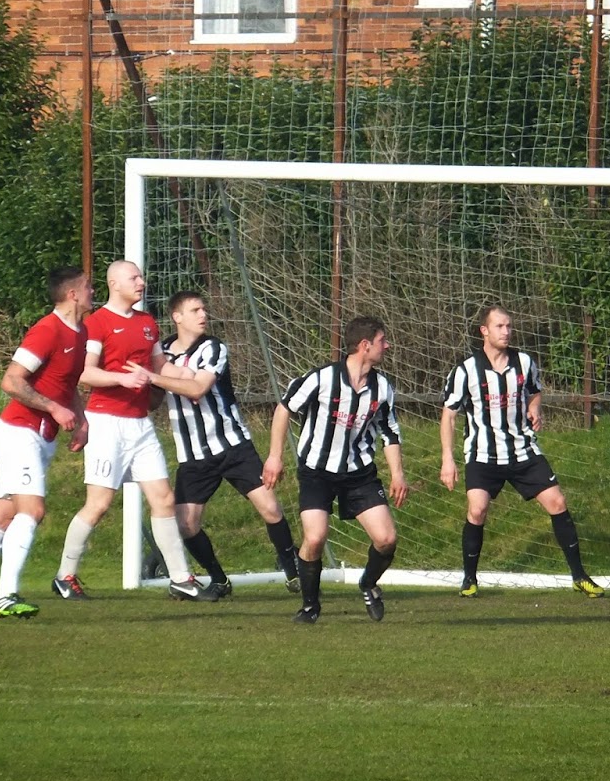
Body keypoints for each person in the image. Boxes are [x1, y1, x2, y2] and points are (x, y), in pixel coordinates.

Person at [51, 260, 218, 602]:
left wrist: (184, 374)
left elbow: (158, 365)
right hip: (106, 423)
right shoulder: (97, 323)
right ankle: (65, 575)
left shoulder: (146, 323)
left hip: (140, 424)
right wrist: (122, 379)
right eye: (134, 277)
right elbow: (85, 374)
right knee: (98, 505)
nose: (141, 282)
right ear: (115, 284)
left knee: (164, 499)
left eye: (141, 276)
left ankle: (181, 578)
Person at [0, 266, 92, 622]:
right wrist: (54, 408)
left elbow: (66, 385)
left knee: (4, 515)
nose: (92, 291)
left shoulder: (81, 332)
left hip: (40, 437)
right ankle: (6, 594)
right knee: (32, 510)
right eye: (87, 286)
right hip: (18, 431)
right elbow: (11, 381)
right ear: (72, 294)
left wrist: (81, 421)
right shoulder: (47, 330)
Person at [440, 305, 603, 598]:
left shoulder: (524, 362)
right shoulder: (466, 370)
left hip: (522, 450)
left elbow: (535, 391)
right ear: (484, 331)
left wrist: (534, 408)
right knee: (477, 510)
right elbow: (449, 414)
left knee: (557, 502)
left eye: (509, 326)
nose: (507, 332)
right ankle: (469, 579)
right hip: (482, 454)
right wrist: (447, 459)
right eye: (500, 326)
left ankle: (579, 576)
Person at [149, 291, 302, 598]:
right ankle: (219, 579)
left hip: (233, 445)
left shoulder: (213, 347)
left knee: (270, 508)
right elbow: (154, 400)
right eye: (195, 310)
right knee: (187, 524)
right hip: (192, 455)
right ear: (177, 317)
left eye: (204, 308)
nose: (203, 314)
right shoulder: (160, 351)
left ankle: (293, 571)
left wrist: (152, 377)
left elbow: (198, 389)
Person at [262, 316, 409, 623]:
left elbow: (390, 432)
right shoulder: (321, 378)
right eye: (383, 341)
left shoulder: (382, 387)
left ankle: (368, 583)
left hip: (359, 473)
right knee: (314, 538)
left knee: (386, 539)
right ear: (365, 346)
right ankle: (310, 606)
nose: (387, 346)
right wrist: (274, 457)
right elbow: (284, 409)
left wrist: (397, 474)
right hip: (316, 471)